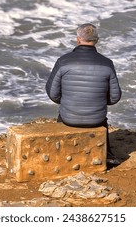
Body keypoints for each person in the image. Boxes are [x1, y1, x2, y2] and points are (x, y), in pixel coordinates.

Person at [45, 23, 122, 166]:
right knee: (102, 120)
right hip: (96, 119)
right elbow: (114, 97)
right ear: (96, 40)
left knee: (62, 115)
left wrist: (69, 101)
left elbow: (52, 93)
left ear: (78, 39)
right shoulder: (107, 63)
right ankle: (107, 155)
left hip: (68, 118)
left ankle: (61, 152)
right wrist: (96, 99)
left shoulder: (63, 61)